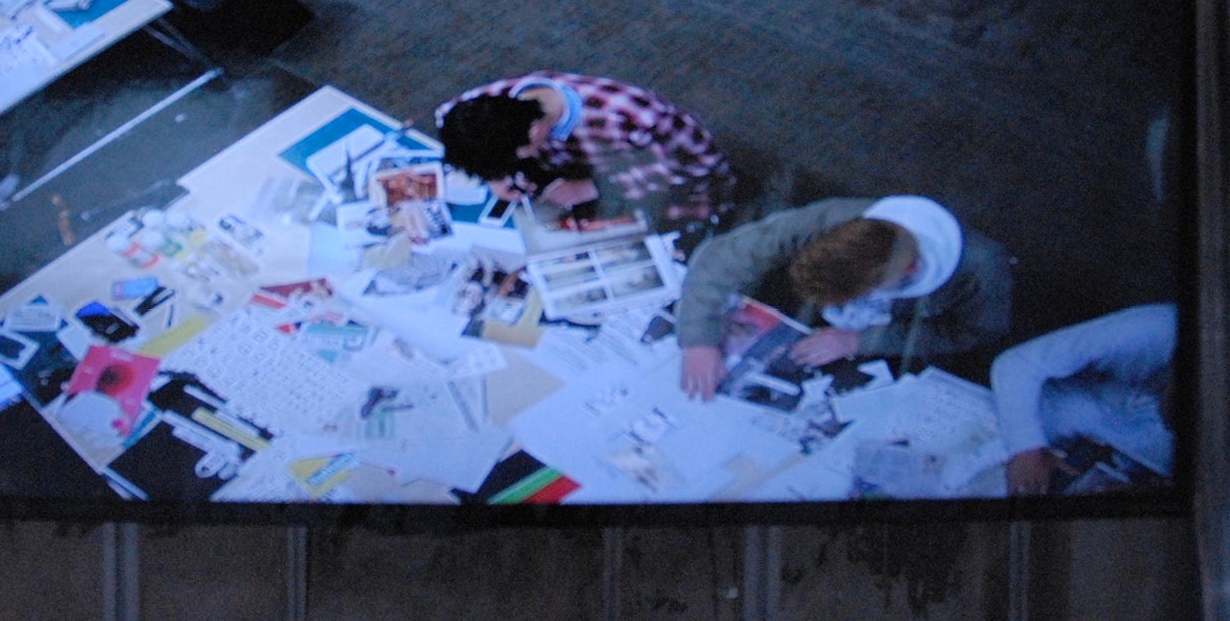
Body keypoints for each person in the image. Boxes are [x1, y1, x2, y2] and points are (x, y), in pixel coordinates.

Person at [676, 195, 1013, 400]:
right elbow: (725, 257)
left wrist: (860, 341)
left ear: (908, 272)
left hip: (895, 332)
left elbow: (974, 331)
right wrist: (698, 340)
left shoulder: (983, 271)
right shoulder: (831, 219)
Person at [435, 71, 735, 226]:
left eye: (518, 156)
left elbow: (700, 165)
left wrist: (588, 189)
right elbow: (444, 114)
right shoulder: (483, 103)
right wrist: (495, 178)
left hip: (657, 181)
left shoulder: (633, 116)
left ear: (536, 132)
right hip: (573, 167)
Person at [990, 302, 1176, 495]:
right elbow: (1017, 365)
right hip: (1027, 419)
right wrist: (1027, 449)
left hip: (1102, 463)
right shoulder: (1152, 328)